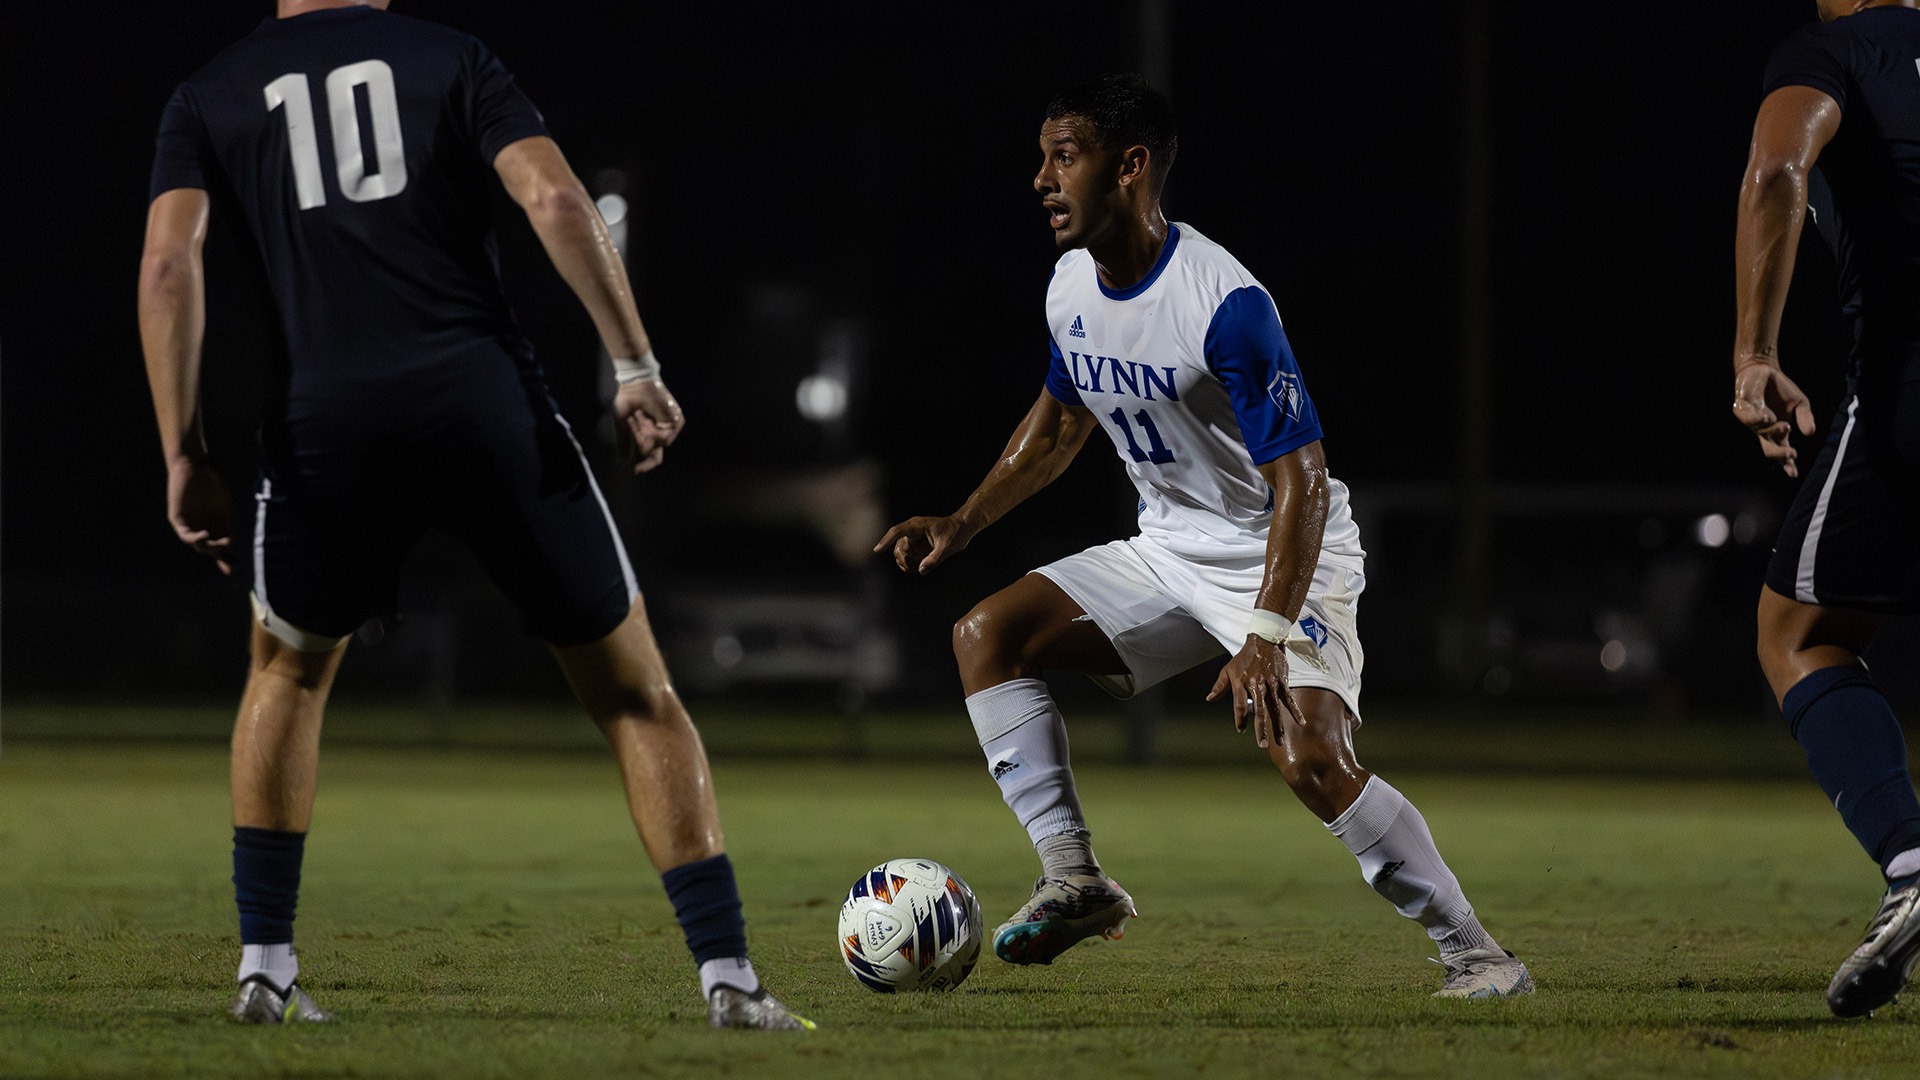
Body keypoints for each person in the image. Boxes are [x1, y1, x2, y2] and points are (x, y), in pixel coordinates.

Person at [137, 0, 810, 1030]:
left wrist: (183, 453)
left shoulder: (209, 91)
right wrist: (634, 366)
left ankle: (266, 968)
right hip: (483, 404)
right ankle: (727, 976)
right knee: (636, 693)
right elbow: (554, 198)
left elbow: (170, 266)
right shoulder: (452, 57)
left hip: (326, 421)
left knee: (288, 673)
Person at [875, 74, 1533, 998]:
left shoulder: (1224, 303)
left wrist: (1264, 633)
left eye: (1065, 157)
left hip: (1286, 552)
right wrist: (964, 517)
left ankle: (1479, 954)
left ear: (1130, 166)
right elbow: (1060, 424)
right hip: (1167, 551)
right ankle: (1075, 877)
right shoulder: (1070, 283)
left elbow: (1299, 479)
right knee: (987, 634)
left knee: (1309, 759)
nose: (1041, 178)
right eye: (1043, 157)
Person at [1732, 0, 1920, 1019]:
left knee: (1797, 632)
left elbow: (1776, 170)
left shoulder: (1831, 51)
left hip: (1904, 388)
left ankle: (1911, 860)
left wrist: (1754, 354)